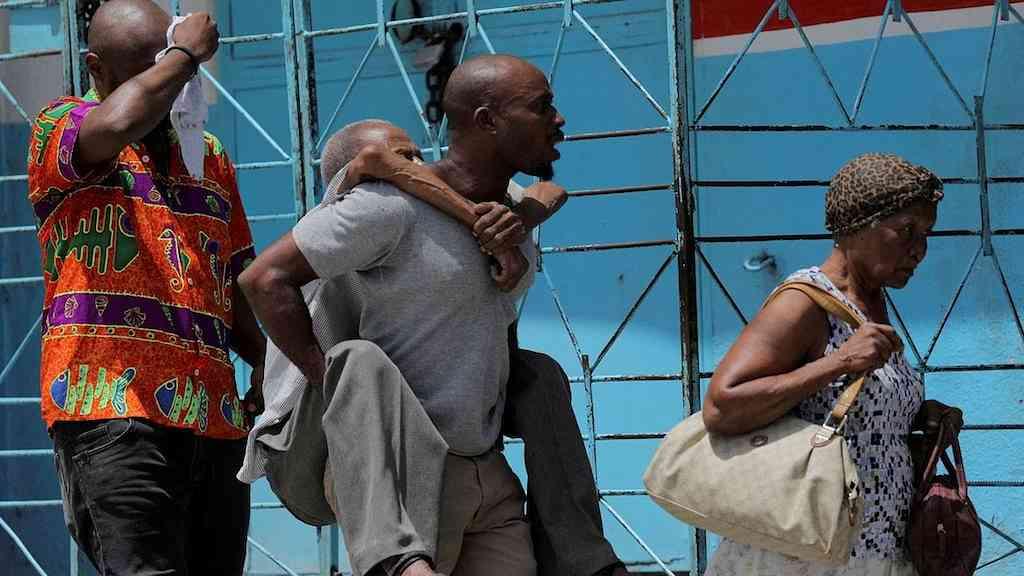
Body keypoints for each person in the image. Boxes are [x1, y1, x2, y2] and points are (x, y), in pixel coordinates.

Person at [238, 54, 593, 576]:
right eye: (542, 107)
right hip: (362, 442)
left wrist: (519, 218)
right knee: (357, 363)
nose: (416, 166)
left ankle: (586, 557)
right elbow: (263, 278)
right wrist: (323, 376)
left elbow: (548, 191)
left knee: (540, 374)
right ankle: (397, 558)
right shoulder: (370, 206)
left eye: (416, 154)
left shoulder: (496, 216)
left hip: (475, 463)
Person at [26, 1, 266, 574]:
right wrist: (184, 55)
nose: (169, 86)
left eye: (171, 68)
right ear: (96, 68)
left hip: (213, 417)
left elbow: (232, 273)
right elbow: (116, 124)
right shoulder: (61, 127)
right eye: (149, 71)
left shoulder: (208, 155)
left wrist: (264, 360)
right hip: (112, 412)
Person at [701, 153, 944, 575]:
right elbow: (722, 406)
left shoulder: (871, 304)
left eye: (926, 234)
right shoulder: (804, 302)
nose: (919, 250)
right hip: (805, 559)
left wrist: (920, 418)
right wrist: (840, 361)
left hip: (876, 550)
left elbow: (852, 415)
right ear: (857, 225)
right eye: (906, 231)